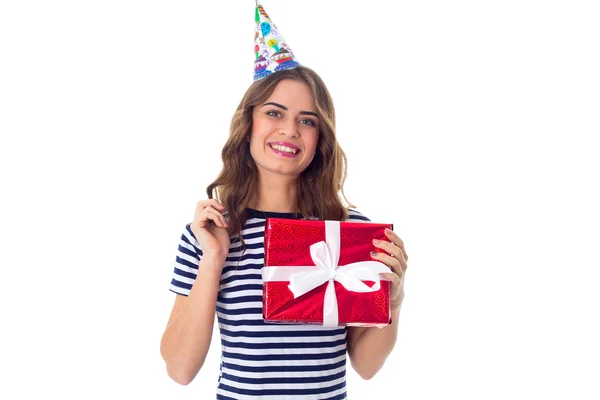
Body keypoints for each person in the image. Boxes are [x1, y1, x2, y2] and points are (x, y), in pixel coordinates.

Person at [160, 3, 408, 399]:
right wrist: (212, 260)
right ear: (249, 124)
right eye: (275, 113)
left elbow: (365, 366)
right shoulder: (209, 232)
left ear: (320, 138)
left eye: (307, 120)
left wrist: (392, 297)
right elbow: (179, 369)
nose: (290, 130)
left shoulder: (352, 232)